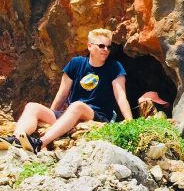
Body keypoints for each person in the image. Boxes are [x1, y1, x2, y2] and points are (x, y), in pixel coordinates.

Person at [0, 29, 132, 154]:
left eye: (109, 47)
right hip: (70, 114)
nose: (106, 50)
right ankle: (16, 139)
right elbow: (62, 94)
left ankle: (40, 143)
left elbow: (121, 96)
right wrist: (52, 115)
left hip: (97, 115)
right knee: (32, 106)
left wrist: (130, 122)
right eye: (102, 46)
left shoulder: (114, 67)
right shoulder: (76, 63)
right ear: (90, 46)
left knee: (77, 105)